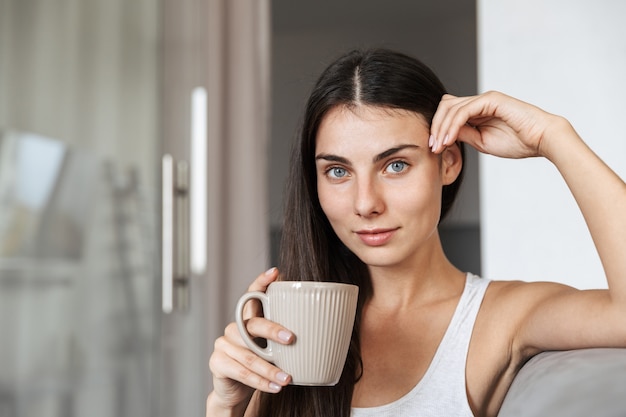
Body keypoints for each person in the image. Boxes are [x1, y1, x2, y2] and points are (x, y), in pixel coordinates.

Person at [206, 48, 626, 417]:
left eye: (395, 165)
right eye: (337, 171)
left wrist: (555, 137)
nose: (365, 202)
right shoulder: (290, 327)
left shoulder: (500, 317)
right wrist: (226, 406)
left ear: (448, 163)